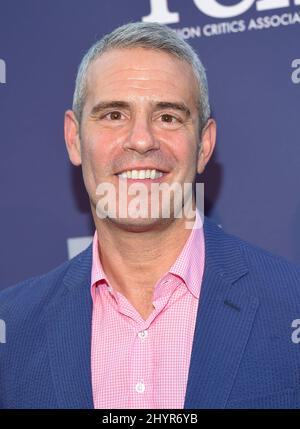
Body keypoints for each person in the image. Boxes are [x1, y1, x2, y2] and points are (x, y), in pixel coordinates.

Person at [1, 22, 300, 410]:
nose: (141, 140)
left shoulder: (290, 303)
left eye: (168, 117)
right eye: (113, 115)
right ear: (74, 139)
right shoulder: (12, 328)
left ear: (204, 145)